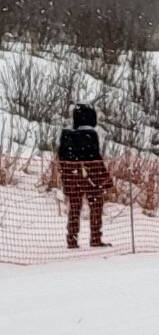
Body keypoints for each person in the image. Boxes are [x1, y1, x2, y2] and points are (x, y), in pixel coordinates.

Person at [57, 104, 114, 249]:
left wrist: (66, 175)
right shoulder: (90, 134)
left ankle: (72, 239)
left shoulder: (66, 135)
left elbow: (61, 157)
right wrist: (105, 178)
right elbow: (94, 158)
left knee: (74, 207)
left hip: (73, 177)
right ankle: (95, 238)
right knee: (96, 206)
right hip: (90, 177)